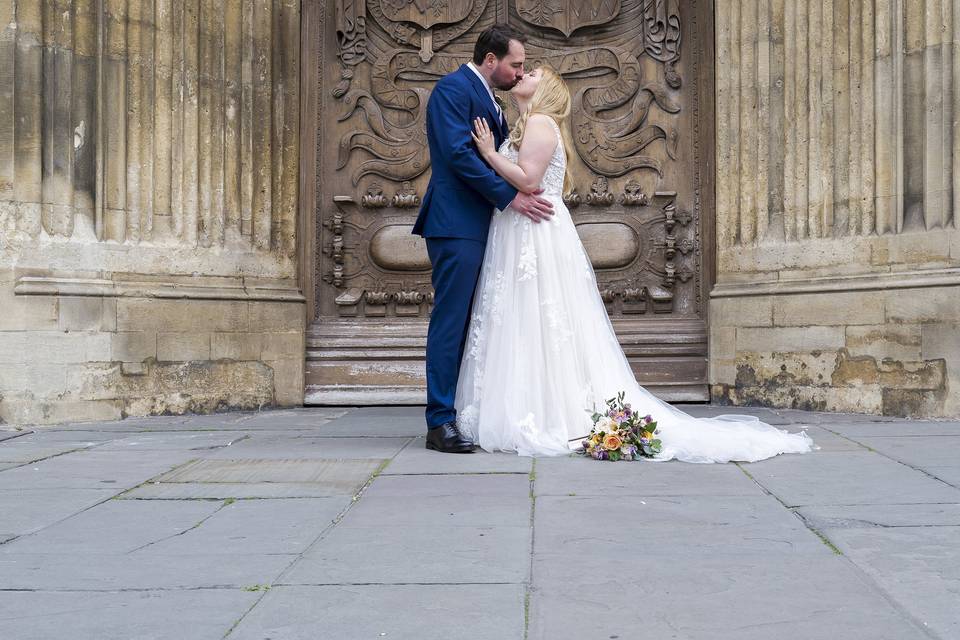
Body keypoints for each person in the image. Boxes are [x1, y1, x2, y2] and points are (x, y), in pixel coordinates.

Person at [457, 64, 814, 462]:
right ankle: (528, 404)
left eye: (534, 73)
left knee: (539, 315)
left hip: (534, 232)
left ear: (548, 90)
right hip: (520, 229)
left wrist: (488, 153)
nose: (524, 74)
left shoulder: (540, 121)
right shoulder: (524, 124)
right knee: (527, 317)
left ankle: (543, 411)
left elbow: (528, 181)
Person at [413, 25, 554, 453]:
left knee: (473, 322)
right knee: (452, 321)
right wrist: (510, 198)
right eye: (515, 64)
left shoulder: (492, 99)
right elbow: (457, 155)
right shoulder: (452, 90)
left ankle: (461, 411)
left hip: (479, 226)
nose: (519, 72)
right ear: (490, 60)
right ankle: (439, 422)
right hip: (455, 223)